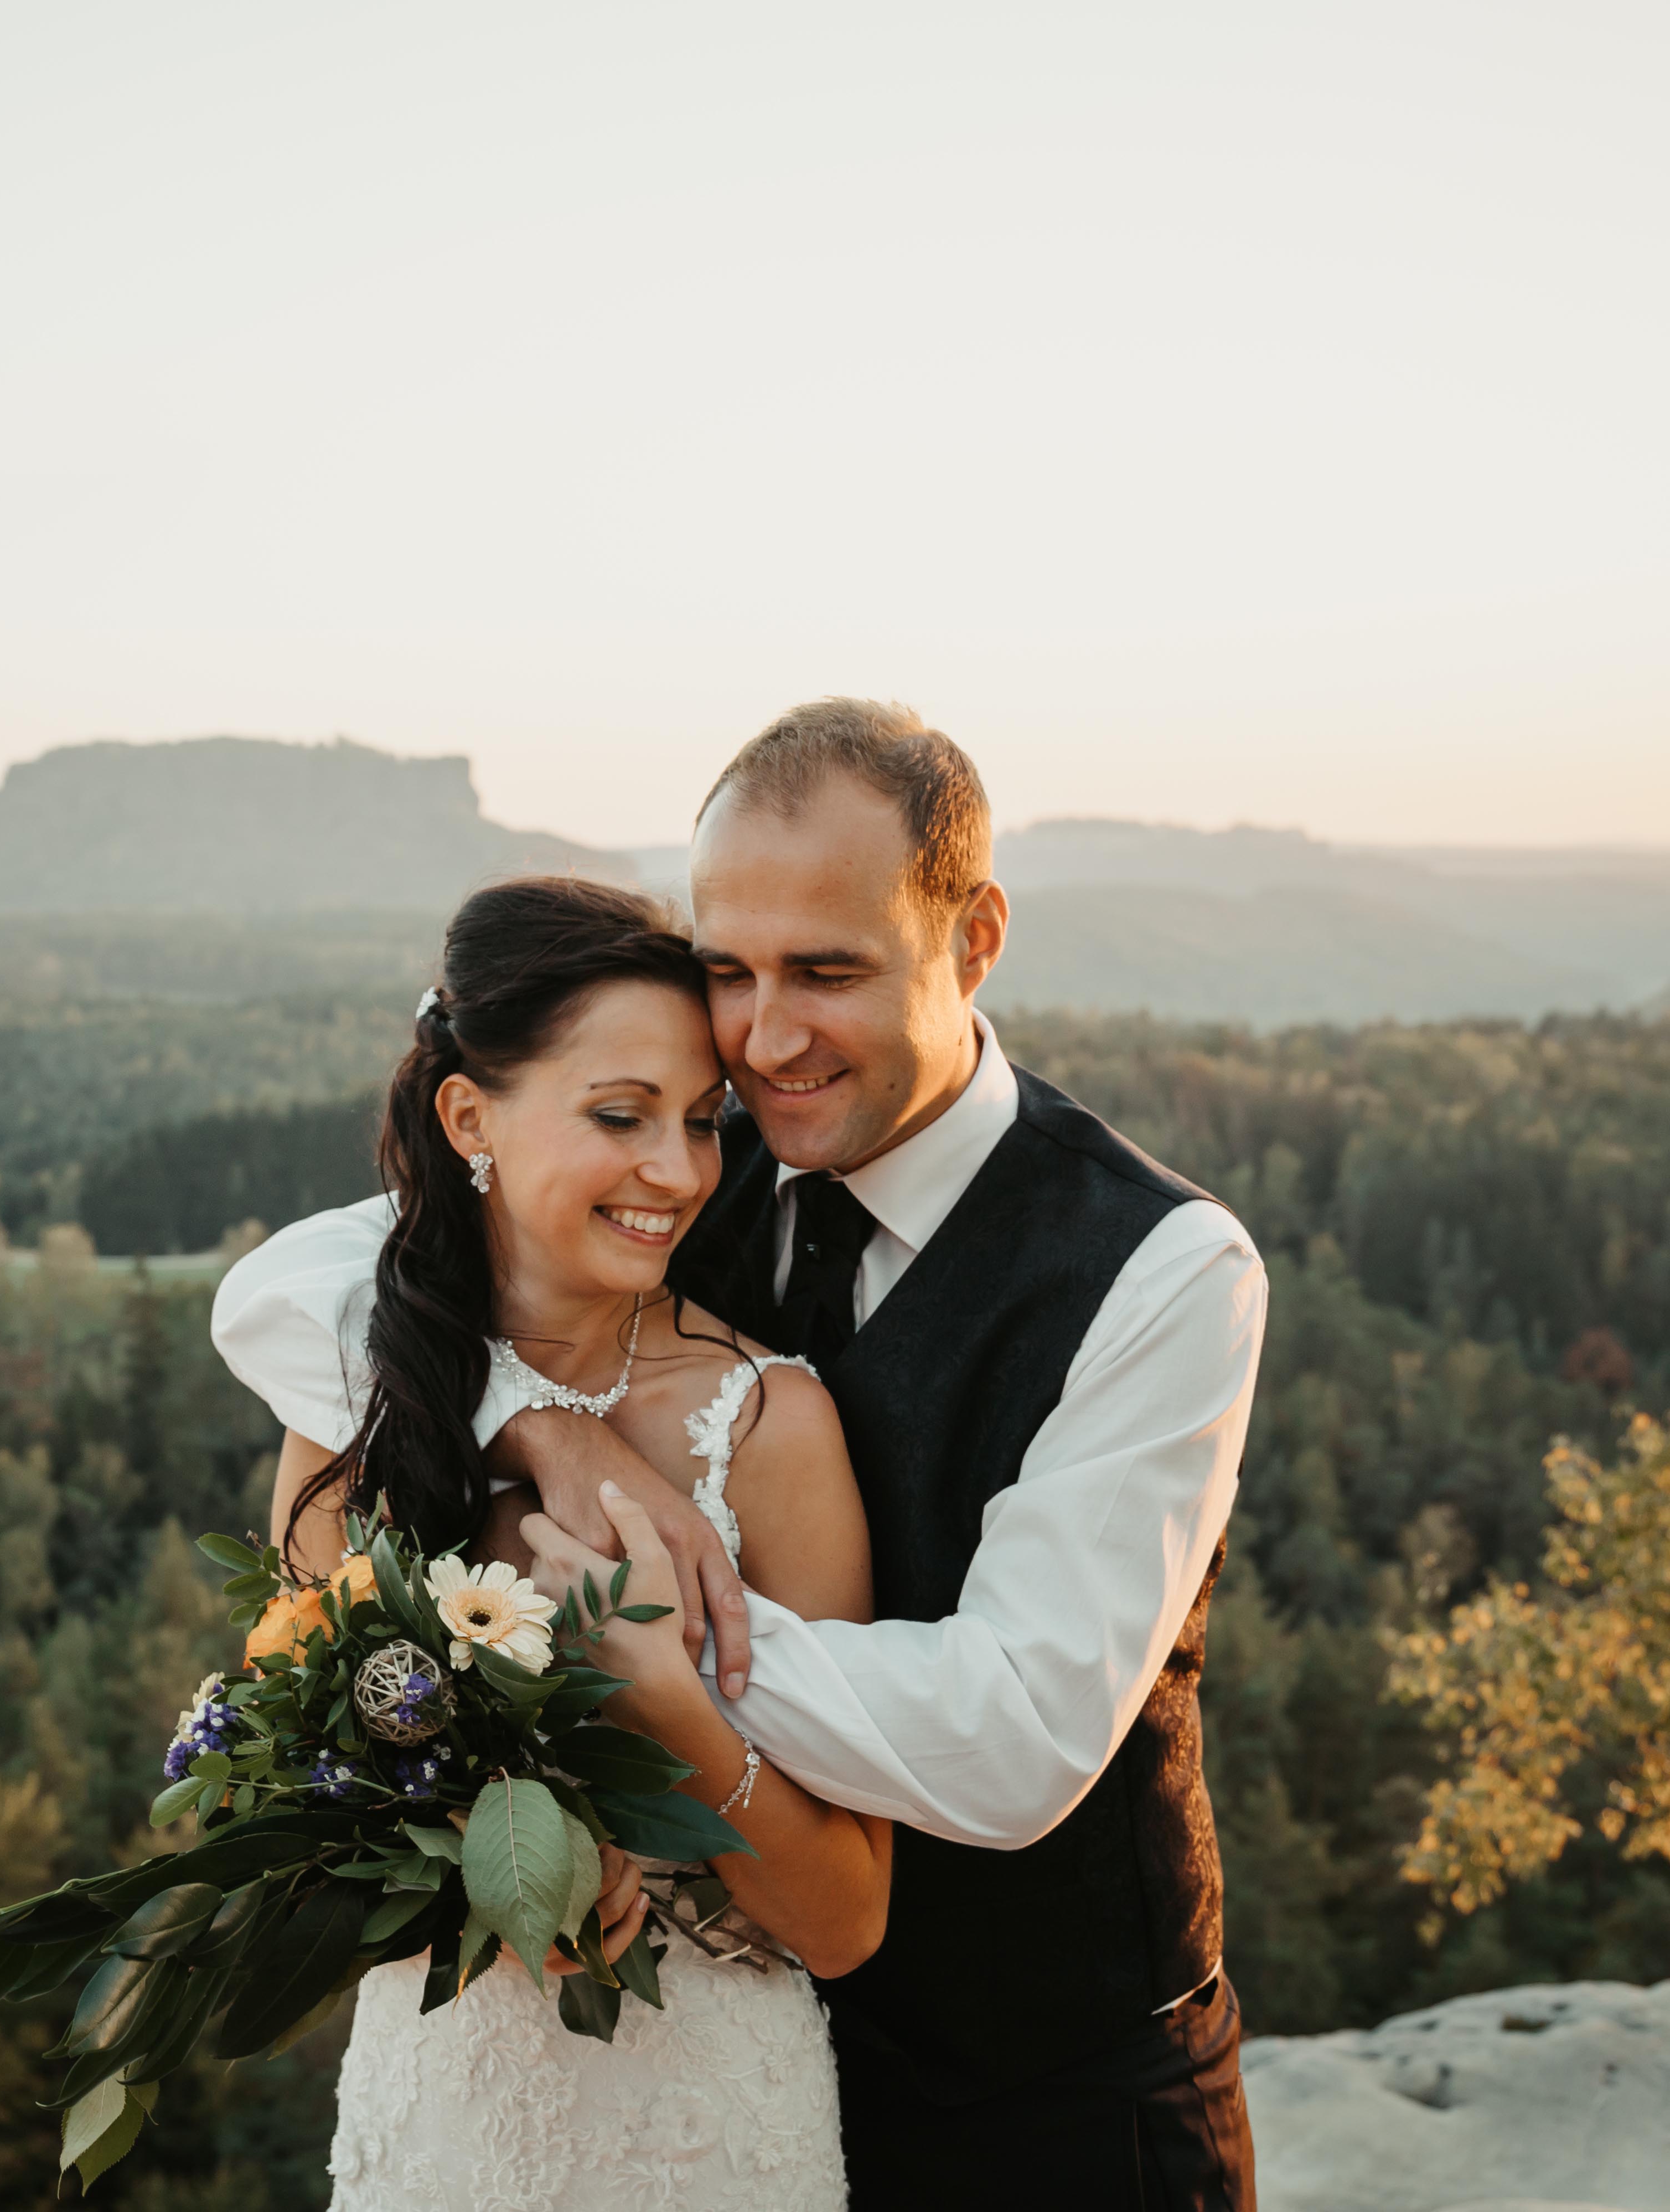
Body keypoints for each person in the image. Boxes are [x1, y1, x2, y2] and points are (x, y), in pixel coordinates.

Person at [217, 699, 1266, 2210]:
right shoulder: (702, 1152)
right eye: (729, 969)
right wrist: (536, 1415)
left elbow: (1016, 1731)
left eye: (826, 972)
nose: (766, 1038)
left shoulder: (1159, 1269)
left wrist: (645, 1658)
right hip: (722, 2076)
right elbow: (308, 1281)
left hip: (1051, 2099)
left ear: (972, 939)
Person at [229, 873, 886, 2210]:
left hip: (708, 2131)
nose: (678, 1172)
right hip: (446, 2111)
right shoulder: (358, 1392)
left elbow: (849, 1920)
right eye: (619, 1116)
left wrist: (665, 1696)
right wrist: (471, 1842)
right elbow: (298, 1770)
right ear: (468, 1116)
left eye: (702, 1124)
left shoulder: (769, 1426)